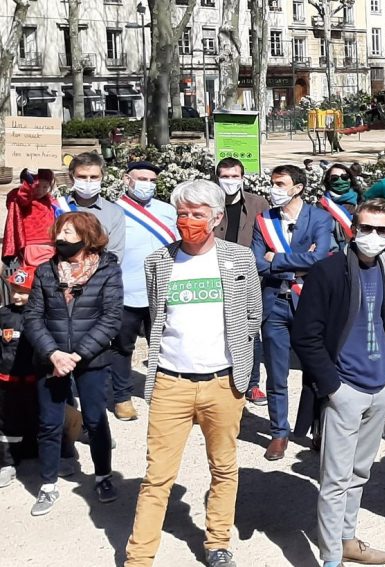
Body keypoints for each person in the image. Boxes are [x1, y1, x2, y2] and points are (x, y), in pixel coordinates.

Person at [125, 180, 262, 567]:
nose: (188, 222)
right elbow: (156, 317)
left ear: (217, 218)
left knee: (223, 468)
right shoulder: (159, 261)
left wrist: (238, 356)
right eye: (182, 214)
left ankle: (217, 543)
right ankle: (139, 556)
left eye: (197, 215)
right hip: (171, 383)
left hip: (223, 383)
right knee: (157, 476)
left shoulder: (239, 258)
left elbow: (254, 314)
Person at [292, 199, 385, 567]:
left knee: (360, 472)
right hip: (345, 388)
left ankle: (347, 539)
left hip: (379, 384)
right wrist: (332, 386)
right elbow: (306, 335)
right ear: (353, 229)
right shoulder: (328, 272)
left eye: (381, 230)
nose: (373, 237)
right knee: (335, 479)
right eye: (366, 228)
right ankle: (330, 558)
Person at [25, 212, 123, 516]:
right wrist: (54, 354)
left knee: (95, 420)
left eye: (69, 233)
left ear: (88, 235)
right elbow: (32, 318)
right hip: (50, 359)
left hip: (90, 360)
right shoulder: (45, 271)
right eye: (60, 232)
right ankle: (48, 484)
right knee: (49, 423)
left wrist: (77, 355)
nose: (62, 238)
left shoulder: (107, 270)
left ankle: (103, 476)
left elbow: (111, 318)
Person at [252, 165, 332, 461]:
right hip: (276, 305)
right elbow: (256, 262)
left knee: (316, 371)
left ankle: (319, 428)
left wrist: (278, 258)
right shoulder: (264, 220)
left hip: (310, 305)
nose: (274, 188)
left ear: (297, 187)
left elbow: (320, 258)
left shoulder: (320, 218)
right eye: (273, 183)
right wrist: (297, 261)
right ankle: (278, 433)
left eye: (280, 183)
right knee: (276, 373)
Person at [109, 161, 177, 422]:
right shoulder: (115, 211)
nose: (147, 184)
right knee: (122, 347)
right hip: (126, 291)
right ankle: (122, 397)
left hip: (162, 291)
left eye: (152, 180)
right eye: (141, 178)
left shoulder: (167, 211)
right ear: (127, 179)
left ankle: (164, 394)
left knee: (163, 346)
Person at [212, 157, 270, 407]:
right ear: (217, 178)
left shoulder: (258, 203)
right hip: (214, 273)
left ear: (243, 178)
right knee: (216, 329)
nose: (230, 181)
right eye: (225, 176)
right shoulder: (209, 203)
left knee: (250, 331)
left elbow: (270, 232)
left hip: (250, 277)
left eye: (235, 176)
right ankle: (219, 381)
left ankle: (252, 383)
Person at [0, 267, 39, 489]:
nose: (16, 296)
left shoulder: (40, 316)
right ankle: (7, 463)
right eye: (14, 289)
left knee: (40, 419)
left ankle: (48, 456)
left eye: (23, 291)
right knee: (7, 423)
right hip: (7, 382)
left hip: (35, 381)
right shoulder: (3, 315)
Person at [65, 152, 126, 262]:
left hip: (100, 276)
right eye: (82, 177)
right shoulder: (58, 207)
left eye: (94, 177)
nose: (88, 181)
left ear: (102, 177)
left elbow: (115, 255)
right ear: (72, 177)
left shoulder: (114, 213)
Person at [2, 168, 57, 267]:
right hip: (32, 244)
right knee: (33, 272)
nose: (40, 190)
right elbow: (24, 195)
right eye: (37, 186)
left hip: (50, 244)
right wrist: (30, 180)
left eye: (45, 187)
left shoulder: (48, 200)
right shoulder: (19, 198)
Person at [319, 163, 361, 251]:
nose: (340, 180)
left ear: (350, 179)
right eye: (335, 178)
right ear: (328, 181)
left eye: (344, 177)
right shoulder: (321, 206)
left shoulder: (361, 202)